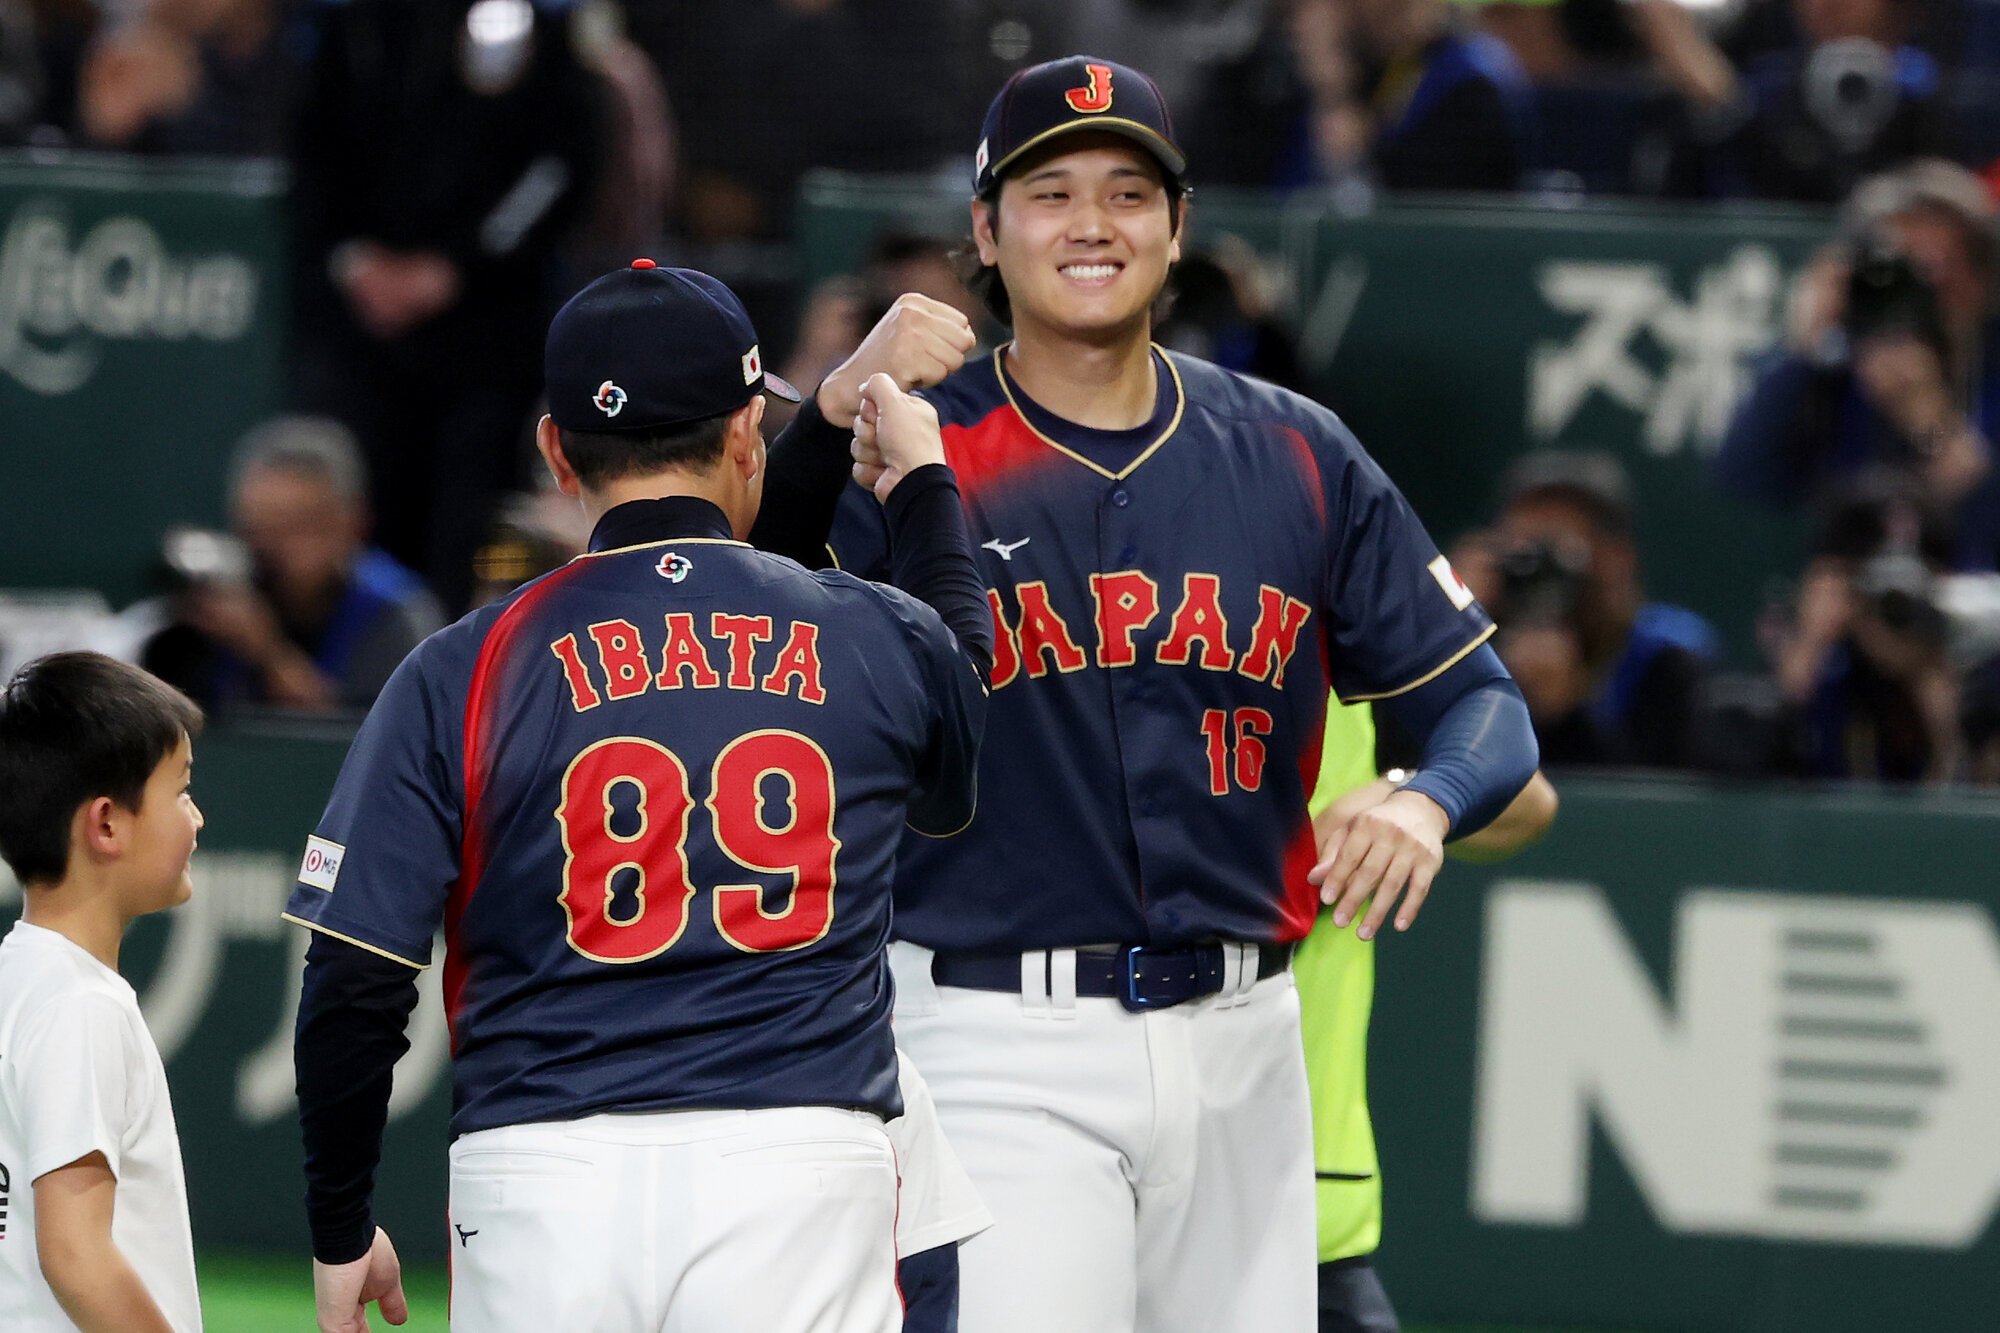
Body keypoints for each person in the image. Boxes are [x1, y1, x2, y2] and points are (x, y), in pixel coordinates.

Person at [752, 55, 1541, 1333]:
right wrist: (833, 400)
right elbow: (726, 610)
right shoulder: (900, 438)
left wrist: (1425, 798)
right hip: (993, 1032)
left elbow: (1486, 705)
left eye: (1127, 193)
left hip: (1246, 1037)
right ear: (984, 231)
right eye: (1048, 191)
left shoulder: (1295, 449)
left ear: (1176, 230)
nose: (1089, 224)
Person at [283, 260, 991, 1333]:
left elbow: (353, 980)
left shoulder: (462, 667)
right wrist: (925, 490)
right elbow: (962, 714)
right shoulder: (865, 628)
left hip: (539, 1171)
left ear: (556, 450)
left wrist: (340, 1221)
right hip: (794, 1155)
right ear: (748, 430)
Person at [1297, 702, 1557, 1333]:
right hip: (1107, 1180)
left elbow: (1526, 796)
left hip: (1314, 1219)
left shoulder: (1345, 620)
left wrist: (1404, 798)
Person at [0, 652, 205, 1333]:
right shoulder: (79, 1004)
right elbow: (76, 1253)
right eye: (180, 790)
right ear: (107, 824)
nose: (196, 817)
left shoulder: (22, 978)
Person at [1717, 159, 2000, 569]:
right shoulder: (1836, 377)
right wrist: (1803, 349)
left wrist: (1932, 425)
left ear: (1981, 281)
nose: (1917, 295)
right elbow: (1743, 478)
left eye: (1935, 272)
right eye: (1898, 271)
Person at [140, 416, 444, 714]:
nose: (270, 549)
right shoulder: (222, 602)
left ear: (353, 526)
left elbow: (357, 742)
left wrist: (267, 652)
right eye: (256, 530)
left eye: (294, 529)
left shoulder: (392, 615)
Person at [1449, 450, 1717, 768]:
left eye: (1562, 545)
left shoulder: (1667, 657)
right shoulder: (1467, 636)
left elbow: (1666, 805)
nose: (1542, 568)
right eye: (1524, 549)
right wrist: (1450, 619)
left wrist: (1565, 715)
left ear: (1619, 557)